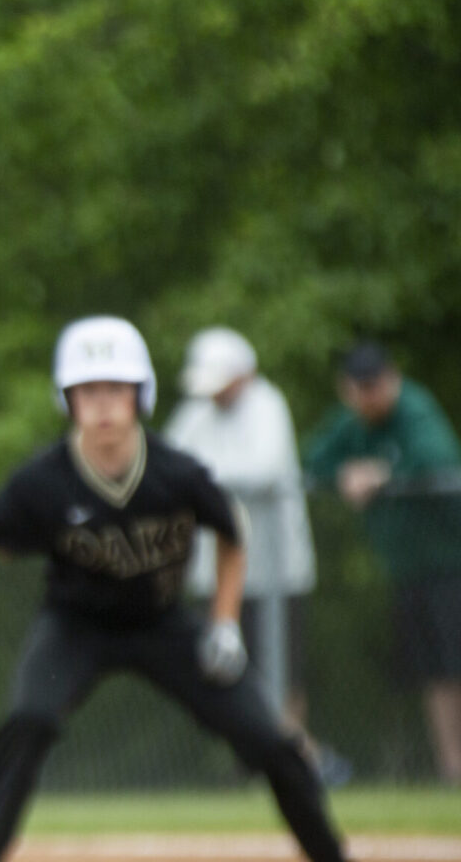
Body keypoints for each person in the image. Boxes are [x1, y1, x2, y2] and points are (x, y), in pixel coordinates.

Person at [0, 316, 346, 862]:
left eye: (115, 389)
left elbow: (231, 533)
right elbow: (3, 535)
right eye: (88, 391)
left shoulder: (177, 472)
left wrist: (224, 622)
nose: (102, 404)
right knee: (28, 721)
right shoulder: (43, 479)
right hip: (74, 626)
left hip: (162, 623)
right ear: (67, 399)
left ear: (140, 395)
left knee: (271, 738)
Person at [164, 326, 346, 784]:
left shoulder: (267, 405)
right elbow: (166, 463)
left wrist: (199, 481)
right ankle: (257, 763)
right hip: (217, 573)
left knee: (281, 674)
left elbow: (263, 470)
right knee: (227, 672)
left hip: (274, 570)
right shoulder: (196, 413)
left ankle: (293, 759)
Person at [304, 340, 461, 787]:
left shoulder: (415, 409)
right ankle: (453, 769)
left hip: (452, 565)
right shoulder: (354, 422)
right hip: (411, 571)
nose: (368, 395)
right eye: (360, 387)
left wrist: (382, 473)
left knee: (455, 668)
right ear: (347, 389)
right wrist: (348, 471)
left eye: (375, 385)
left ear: (391, 379)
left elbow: (438, 459)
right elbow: (315, 459)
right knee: (437, 672)